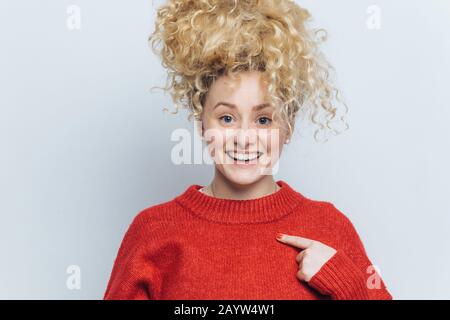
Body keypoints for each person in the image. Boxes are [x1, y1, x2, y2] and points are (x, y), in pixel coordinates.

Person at [103, 0, 393, 300]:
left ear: (288, 126)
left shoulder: (330, 226)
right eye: (227, 118)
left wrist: (347, 284)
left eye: (263, 120)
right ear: (202, 122)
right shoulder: (154, 231)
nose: (244, 138)